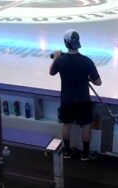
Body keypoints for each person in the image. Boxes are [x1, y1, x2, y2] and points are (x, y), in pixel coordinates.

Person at [49, 29, 102, 161]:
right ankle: (85, 153)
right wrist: (88, 78)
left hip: (67, 99)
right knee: (86, 125)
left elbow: (51, 72)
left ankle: (67, 151)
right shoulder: (87, 61)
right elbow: (98, 82)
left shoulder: (60, 60)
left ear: (66, 43)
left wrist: (55, 57)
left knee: (66, 124)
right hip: (83, 100)